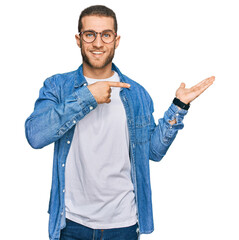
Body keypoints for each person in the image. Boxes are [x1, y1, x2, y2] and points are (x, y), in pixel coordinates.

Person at [25, 5, 215, 240]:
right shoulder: (57, 87)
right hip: (71, 224)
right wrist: (87, 97)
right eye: (90, 34)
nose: (97, 43)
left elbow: (153, 152)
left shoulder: (137, 93)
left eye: (106, 34)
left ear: (116, 40)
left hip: (123, 225)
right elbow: (35, 135)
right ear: (78, 39)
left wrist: (179, 106)